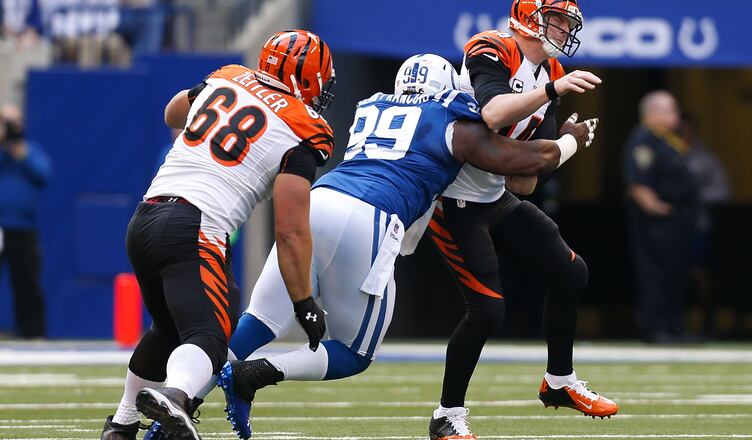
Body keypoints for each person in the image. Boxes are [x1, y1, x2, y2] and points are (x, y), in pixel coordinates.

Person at [211, 53, 597, 440]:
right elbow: (517, 161)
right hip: (371, 217)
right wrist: (568, 141)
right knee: (354, 353)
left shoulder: (370, 105)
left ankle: (181, 397)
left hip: (319, 199)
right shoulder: (451, 116)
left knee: (259, 320)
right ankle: (256, 373)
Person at [100, 29, 336, 440]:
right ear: (310, 78)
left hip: (146, 217)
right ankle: (176, 395)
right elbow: (292, 229)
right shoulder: (304, 127)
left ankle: (121, 426)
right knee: (210, 337)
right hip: (196, 226)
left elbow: (173, 113)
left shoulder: (228, 76)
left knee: (168, 328)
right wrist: (304, 301)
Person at [424, 2, 617, 438]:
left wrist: (560, 146)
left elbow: (523, 182)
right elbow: (492, 113)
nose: (566, 29)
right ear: (530, 18)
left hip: (493, 197)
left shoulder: (551, 72)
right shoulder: (492, 48)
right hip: (452, 200)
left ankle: (559, 381)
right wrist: (553, 98)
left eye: (569, 22)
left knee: (571, 272)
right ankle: (446, 416)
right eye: (559, 19)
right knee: (488, 310)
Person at [624, 90, 699, 343]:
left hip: (677, 219)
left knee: (676, 273)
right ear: (652, 113)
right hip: (658, 221)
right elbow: (638, 182)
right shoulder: (643, 140)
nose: (674, 115)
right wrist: (657, 208)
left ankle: (673, 326)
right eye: (669, 110)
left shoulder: (667, 141)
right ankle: (654, 327)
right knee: (656, 272)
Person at [0, 103, 51, 339]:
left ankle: (32, 332)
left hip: (22, 227)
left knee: (26, 281)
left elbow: (43, 174)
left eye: (14, 122)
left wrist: (19, 151)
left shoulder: (28, 150)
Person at [682, 114, 729, 337]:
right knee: (674, 272)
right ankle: (675, 323)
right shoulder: (669, 153)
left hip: (697, 224)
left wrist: (695, 196)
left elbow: (722, 190)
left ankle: (708, 320)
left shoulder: (705, 159)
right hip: (671, 225)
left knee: (700, 273)